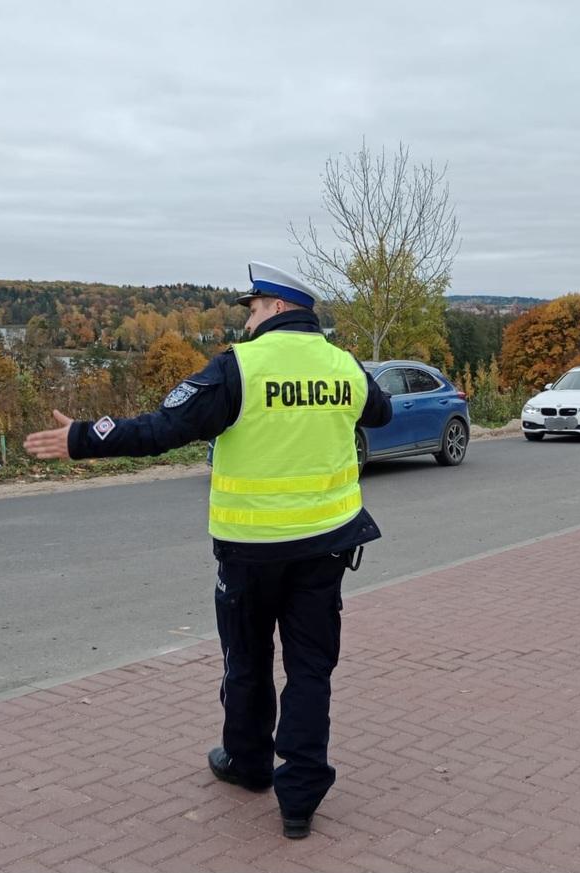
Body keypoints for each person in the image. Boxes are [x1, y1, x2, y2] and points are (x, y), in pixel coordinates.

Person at [23, 261, 393, 840]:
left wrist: (82, 438)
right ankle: (300, 799)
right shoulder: (344, 367)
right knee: (311, 669)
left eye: (251, 309)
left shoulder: (237, 369)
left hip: (252, 552)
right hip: (325, 546)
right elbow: (381, 411)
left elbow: (162, 428)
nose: (246, 320)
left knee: (246, 661)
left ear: (274, 307)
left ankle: (248, 767)